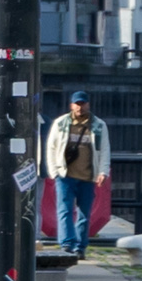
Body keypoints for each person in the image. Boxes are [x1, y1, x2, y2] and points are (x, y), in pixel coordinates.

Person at [51, 92, 111, 251]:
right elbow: (52, 147)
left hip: (88, 176)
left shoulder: (98, 125)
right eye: (77, 104)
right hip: (65, 175)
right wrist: (54, 171)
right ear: (71, 105)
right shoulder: (60, 123)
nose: (80, 107)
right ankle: (66, 243)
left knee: (84, 214)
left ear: (88, 104)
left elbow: (104, 149)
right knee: (64, 210)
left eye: (83, 103)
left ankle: (80, 246)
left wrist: (103, 171)